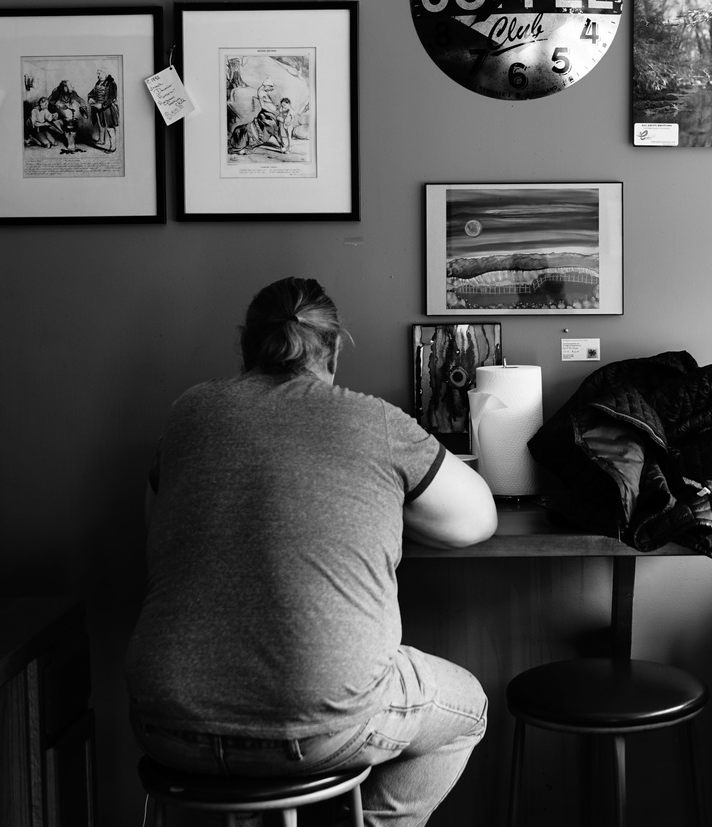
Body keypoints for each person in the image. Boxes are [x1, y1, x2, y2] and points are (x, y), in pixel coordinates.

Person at [125, 277, 498, 827]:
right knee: (466, 710)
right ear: (336, 347)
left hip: (163, 722)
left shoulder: (187, 414)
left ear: (245, 344)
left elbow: (157, 534)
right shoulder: (375, 421)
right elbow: (476, 522)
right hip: (316, 729)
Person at [88, 66, 120, 152]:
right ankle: (102, 141)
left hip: (108, 108)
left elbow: (112, 97)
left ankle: (113, 147)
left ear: (105, 74)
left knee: (110, 127)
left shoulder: (111, 83)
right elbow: (92, 93)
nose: (98, 75)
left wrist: (102, 105)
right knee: (101, 124)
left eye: (99, 73)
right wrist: (90, 98)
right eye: (97, 74)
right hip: (98, 108)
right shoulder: (98, 83)